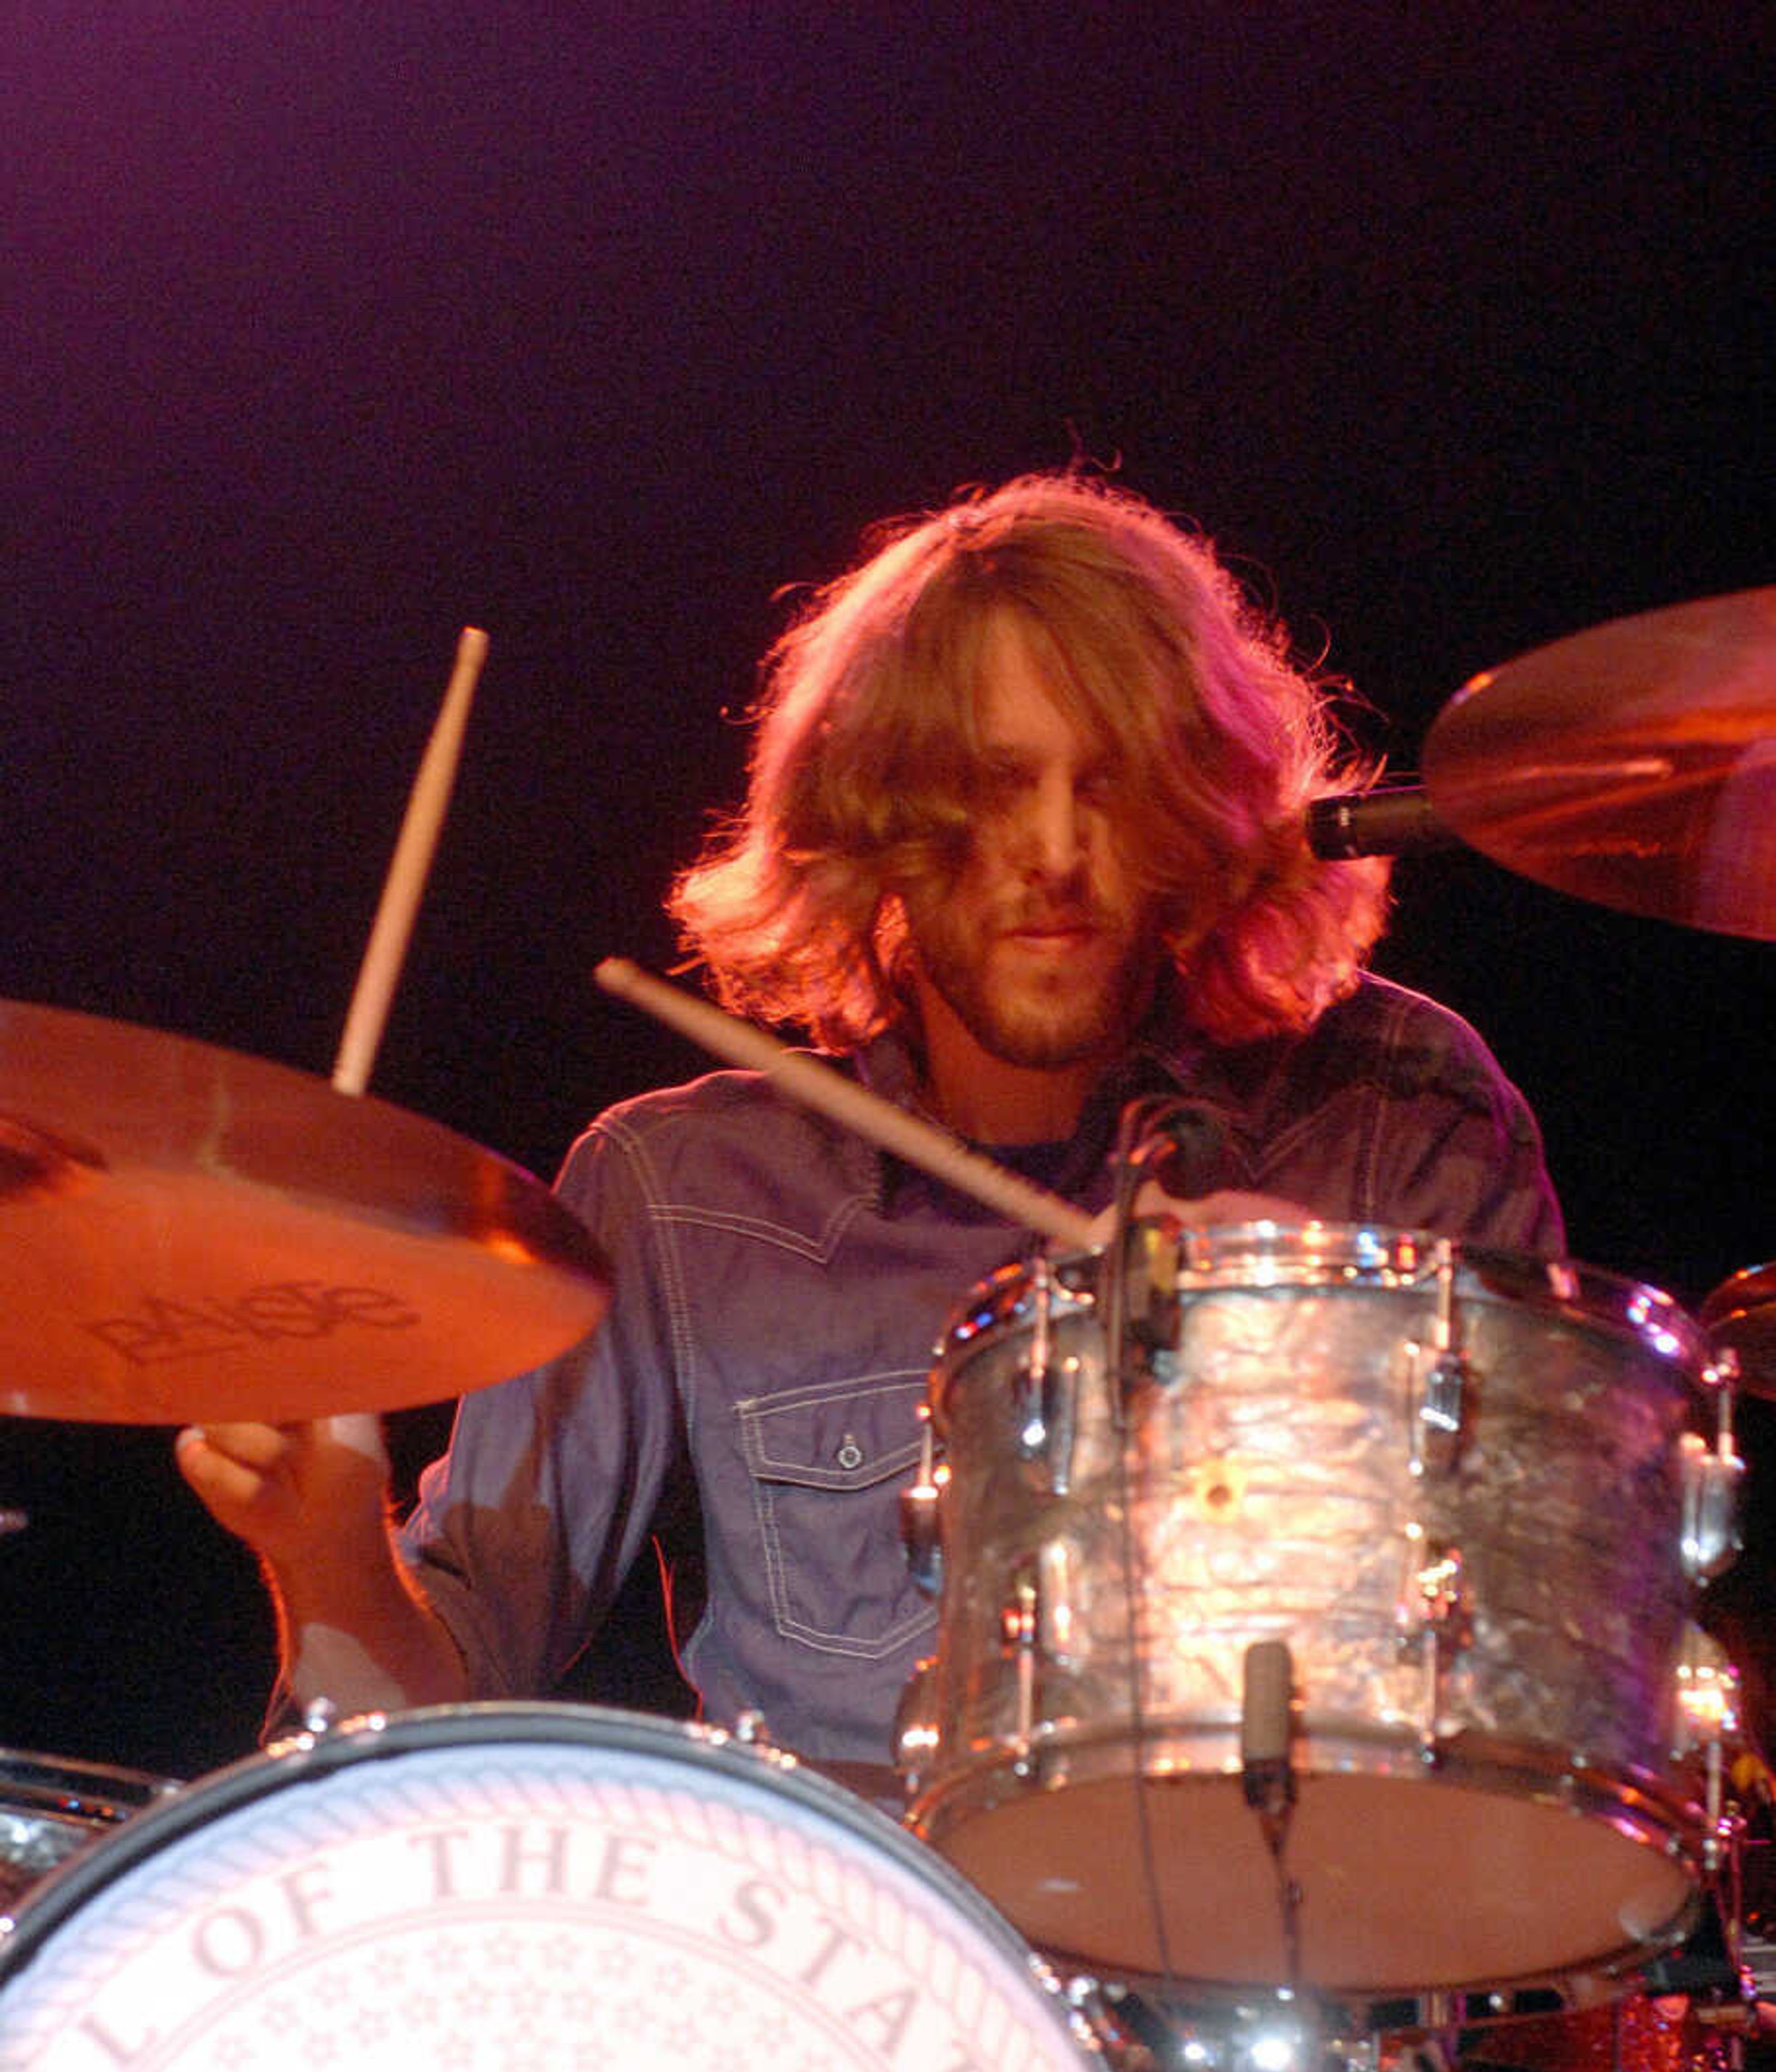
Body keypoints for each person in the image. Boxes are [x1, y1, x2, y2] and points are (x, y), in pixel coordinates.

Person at [177, 470, 1563, 1768]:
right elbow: (411, 1753)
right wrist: (328, 1553)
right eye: (990, 787)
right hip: (859, 1996)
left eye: (1110, 784)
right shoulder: (679, 1197)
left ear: (1204, 813)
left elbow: (1553, 1659)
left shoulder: (1392, 1114)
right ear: (874, 815)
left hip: (1307, 1976)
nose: (1058, 853)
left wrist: (1313, 1373)